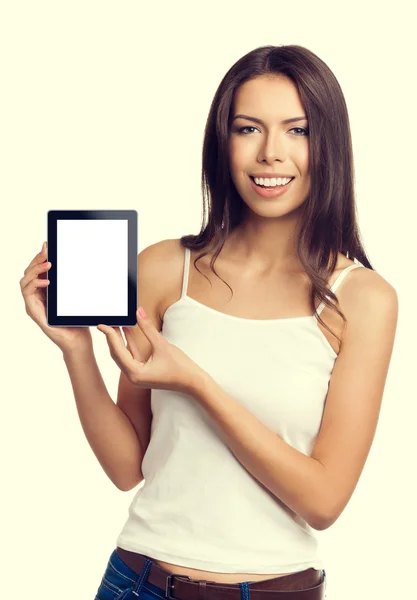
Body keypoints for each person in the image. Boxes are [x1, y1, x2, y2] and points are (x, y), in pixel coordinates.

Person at [20, 44, 398, 600]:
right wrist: (75, 352)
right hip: (138, 581)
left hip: (278, 590)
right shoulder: (163, 268)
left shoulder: (362, 298)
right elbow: (129, 468)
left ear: (330, 146)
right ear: (222, 143)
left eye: (298, 130)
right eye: (249, 129)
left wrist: (195, 381)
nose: (272, 153)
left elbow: (323, 502)